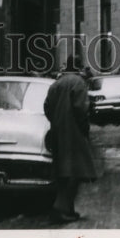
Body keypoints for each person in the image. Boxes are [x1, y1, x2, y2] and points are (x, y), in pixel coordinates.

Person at [43, 56, 98, 222]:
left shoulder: (56, 84)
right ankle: (59, 210)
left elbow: (47, 106)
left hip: (58, 132)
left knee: (63, 173)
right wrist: (85, 128)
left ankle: (68, 209)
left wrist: (56, 121)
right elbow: (81, 108)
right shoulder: (79, 82)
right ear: (79, 67)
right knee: (75, 172)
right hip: (74, 133)